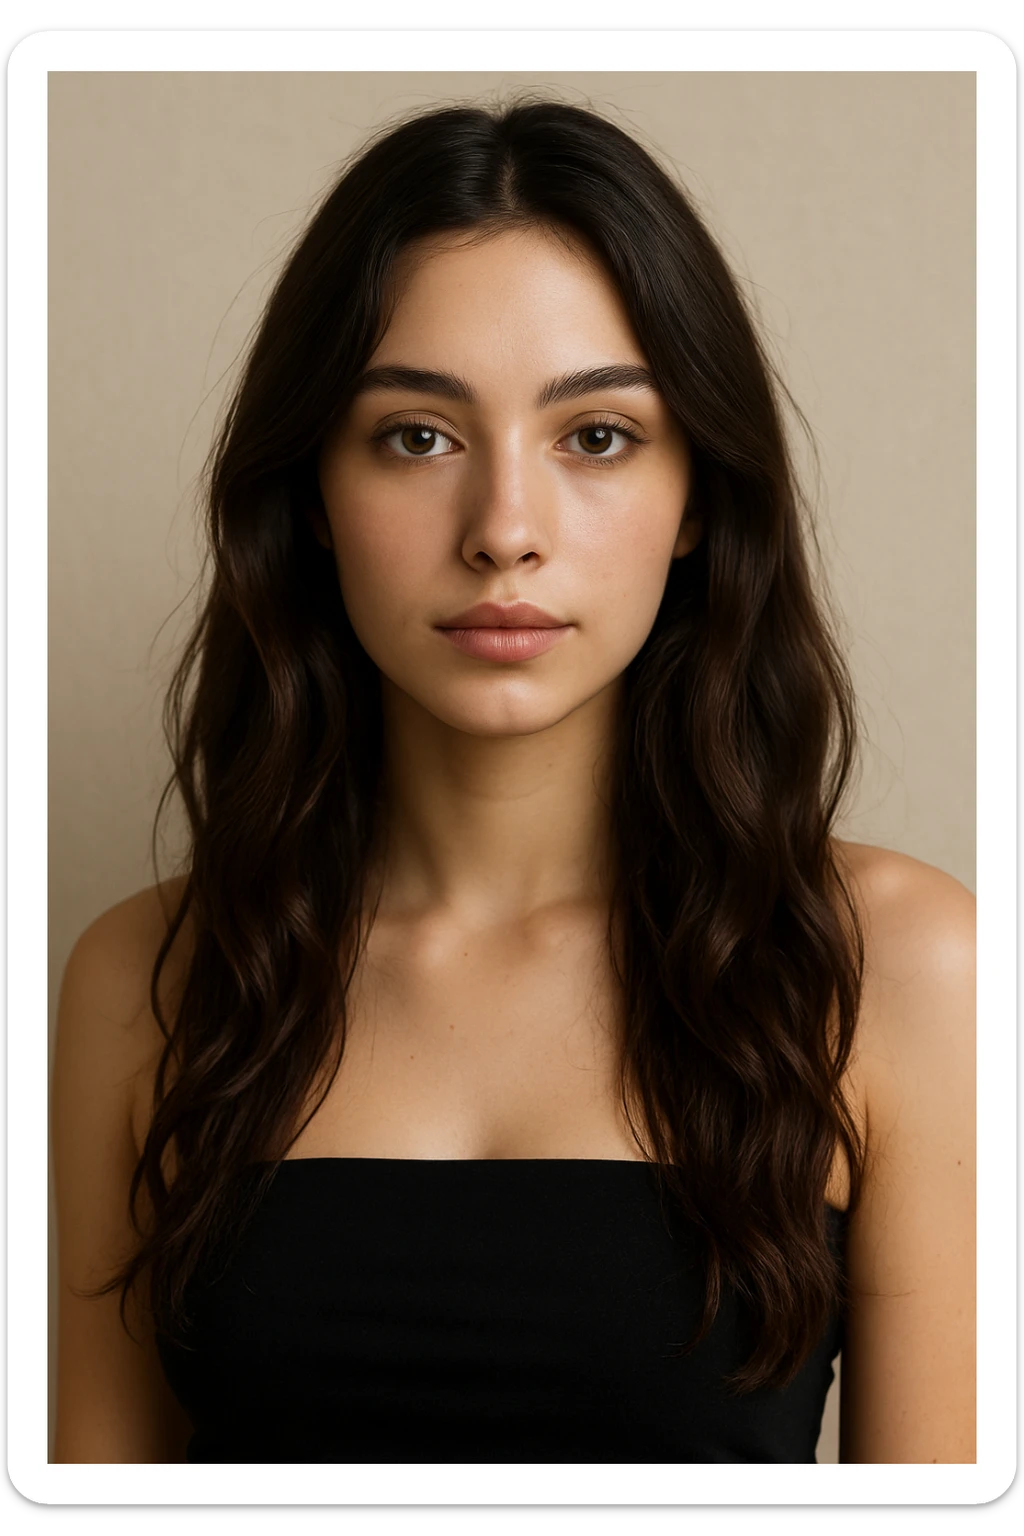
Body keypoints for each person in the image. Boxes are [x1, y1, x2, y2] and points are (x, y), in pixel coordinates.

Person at [51, 97, 976, 1465]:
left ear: (700, 498)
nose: (503, 534)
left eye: (596, 436)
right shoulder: (151, 980)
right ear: (311, 492)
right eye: (416, 435)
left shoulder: (895, 970)